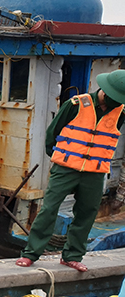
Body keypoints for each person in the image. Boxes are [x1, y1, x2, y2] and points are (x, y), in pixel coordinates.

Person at [16, 70, 125, 272]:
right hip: (65, 168)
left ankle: (72, 256)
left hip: (95, 171)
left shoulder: (121, 112)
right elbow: (52, 134)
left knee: (87, 213)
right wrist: (60, 158)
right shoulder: (75, 104)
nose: (119, 103)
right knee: (49, 208)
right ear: (107, 93)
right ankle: (31, 254)